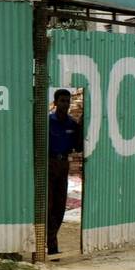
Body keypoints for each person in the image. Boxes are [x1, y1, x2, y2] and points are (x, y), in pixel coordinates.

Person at [47, 88, 82, 256]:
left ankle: (51, 240)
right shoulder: (48, 121)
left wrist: (82, 126)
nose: (65, 104)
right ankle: (51, 245)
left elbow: (79, 146)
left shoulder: (72, 124)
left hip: (63, 165)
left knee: (60, 206)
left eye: (67, 101)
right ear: (55, 103)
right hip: (49, 164)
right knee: (49, 204)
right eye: (62, 101)